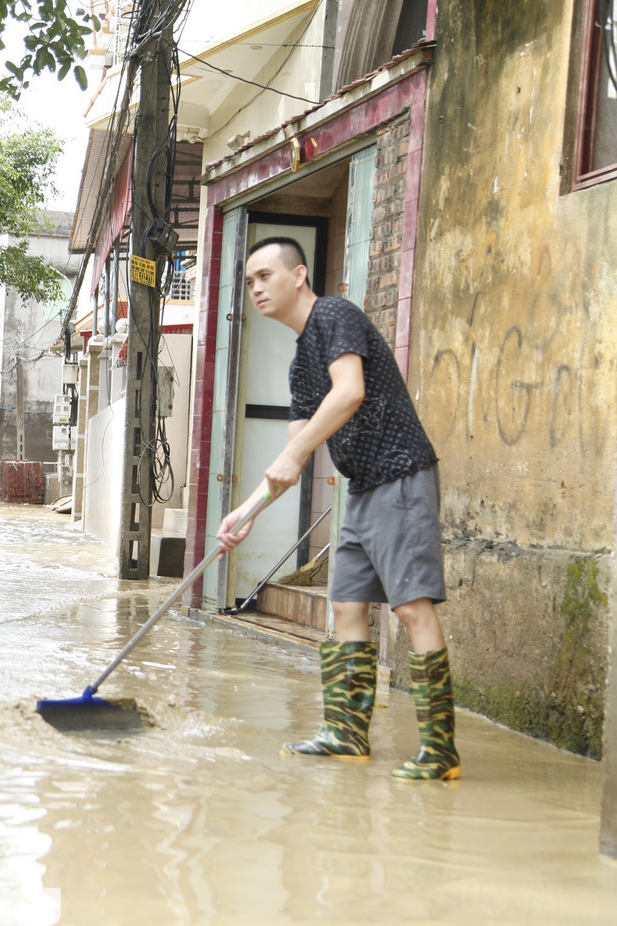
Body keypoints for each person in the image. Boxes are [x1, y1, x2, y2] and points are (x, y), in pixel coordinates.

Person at [216, 236, 458, 781]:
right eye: (249, 281)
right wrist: (248, 511)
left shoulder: (335, 314)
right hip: (364, 489)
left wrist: (298, 452)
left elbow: (349, 392)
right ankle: (347, 735)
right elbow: (291, 455)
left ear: (298, 275)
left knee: (411, 607)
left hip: (401, 474)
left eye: (264, 276)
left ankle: (440, 752)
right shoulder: (301, 362)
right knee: (346, 606)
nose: (255, 288)